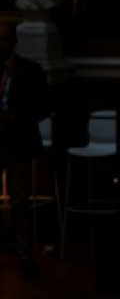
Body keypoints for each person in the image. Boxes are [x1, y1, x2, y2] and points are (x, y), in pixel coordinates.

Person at [0, 20, 52, 280]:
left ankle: (25, 255)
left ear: (14, 41)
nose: (1, 45)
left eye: (5, 39)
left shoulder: (30, 71)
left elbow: (44, 106)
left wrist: (17, 118)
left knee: (21, 202)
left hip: (18, 142)